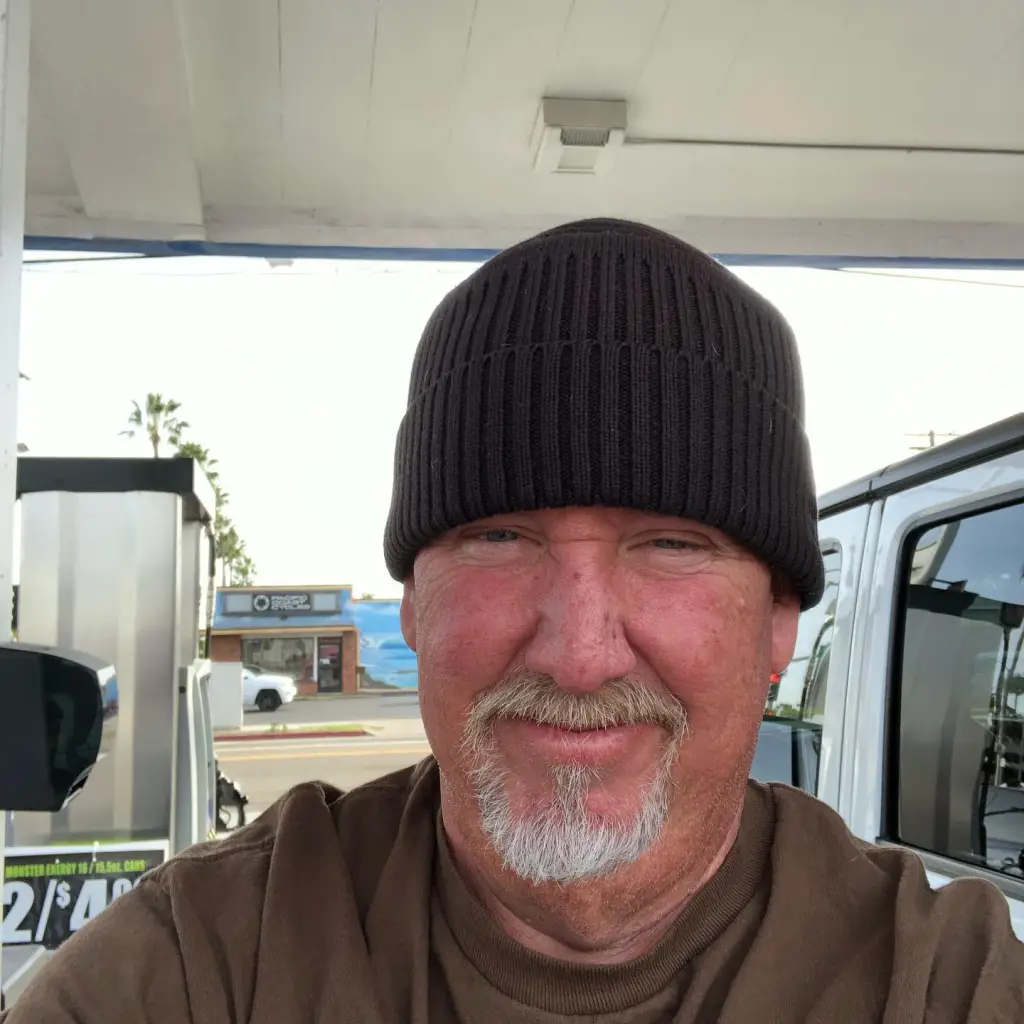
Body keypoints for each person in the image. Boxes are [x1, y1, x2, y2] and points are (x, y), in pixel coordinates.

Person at [5, 218, 1023, 1023]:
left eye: (670, 544)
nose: (579, 655)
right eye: (498, 537)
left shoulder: (942, 983)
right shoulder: (204, 962)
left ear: (778, 620)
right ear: (413, 600)